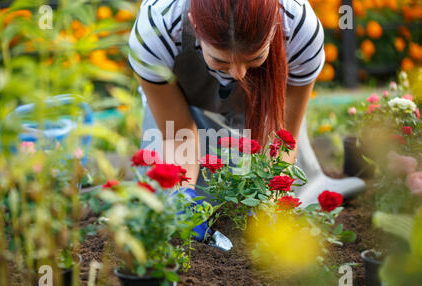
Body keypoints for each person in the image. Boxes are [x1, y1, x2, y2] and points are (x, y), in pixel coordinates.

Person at [128, 0, 365, 246]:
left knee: (274, 200)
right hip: (183, 108)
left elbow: (283, 136)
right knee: (172, 208)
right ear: (194, 23)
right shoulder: (155, 29)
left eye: (254, 59)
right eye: (220, 60)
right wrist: (183, 194)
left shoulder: (299, 27)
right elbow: (177, 135)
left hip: (264, 109)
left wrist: (269, 196)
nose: (238, 73)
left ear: (275, 25)